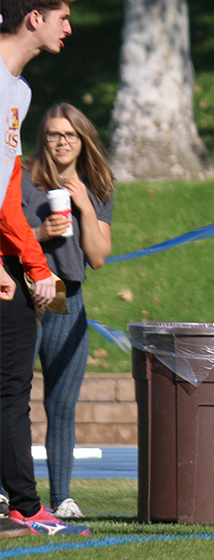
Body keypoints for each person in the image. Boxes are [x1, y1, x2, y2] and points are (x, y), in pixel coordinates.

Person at [1, 0, 87, 536]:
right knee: (11, 384)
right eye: (61, 17)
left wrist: (30, 260)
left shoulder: (19, 90)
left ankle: (19, 506)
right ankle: (27, 508)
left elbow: (7, 189)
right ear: (35, 18)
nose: (69, 27)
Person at [23, 103, 113, 518]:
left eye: (69, 135)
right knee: (11, 398)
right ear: (43, 138)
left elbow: (98, 256)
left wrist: (86, 209)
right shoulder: (22, 179)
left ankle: (62, 498)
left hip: (68, 299)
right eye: (54, 135)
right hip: (24, 294)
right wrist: (40, 234)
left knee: (62, 404)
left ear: (82, 140)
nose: (61, 142)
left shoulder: (96, 187)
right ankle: (10, 493)